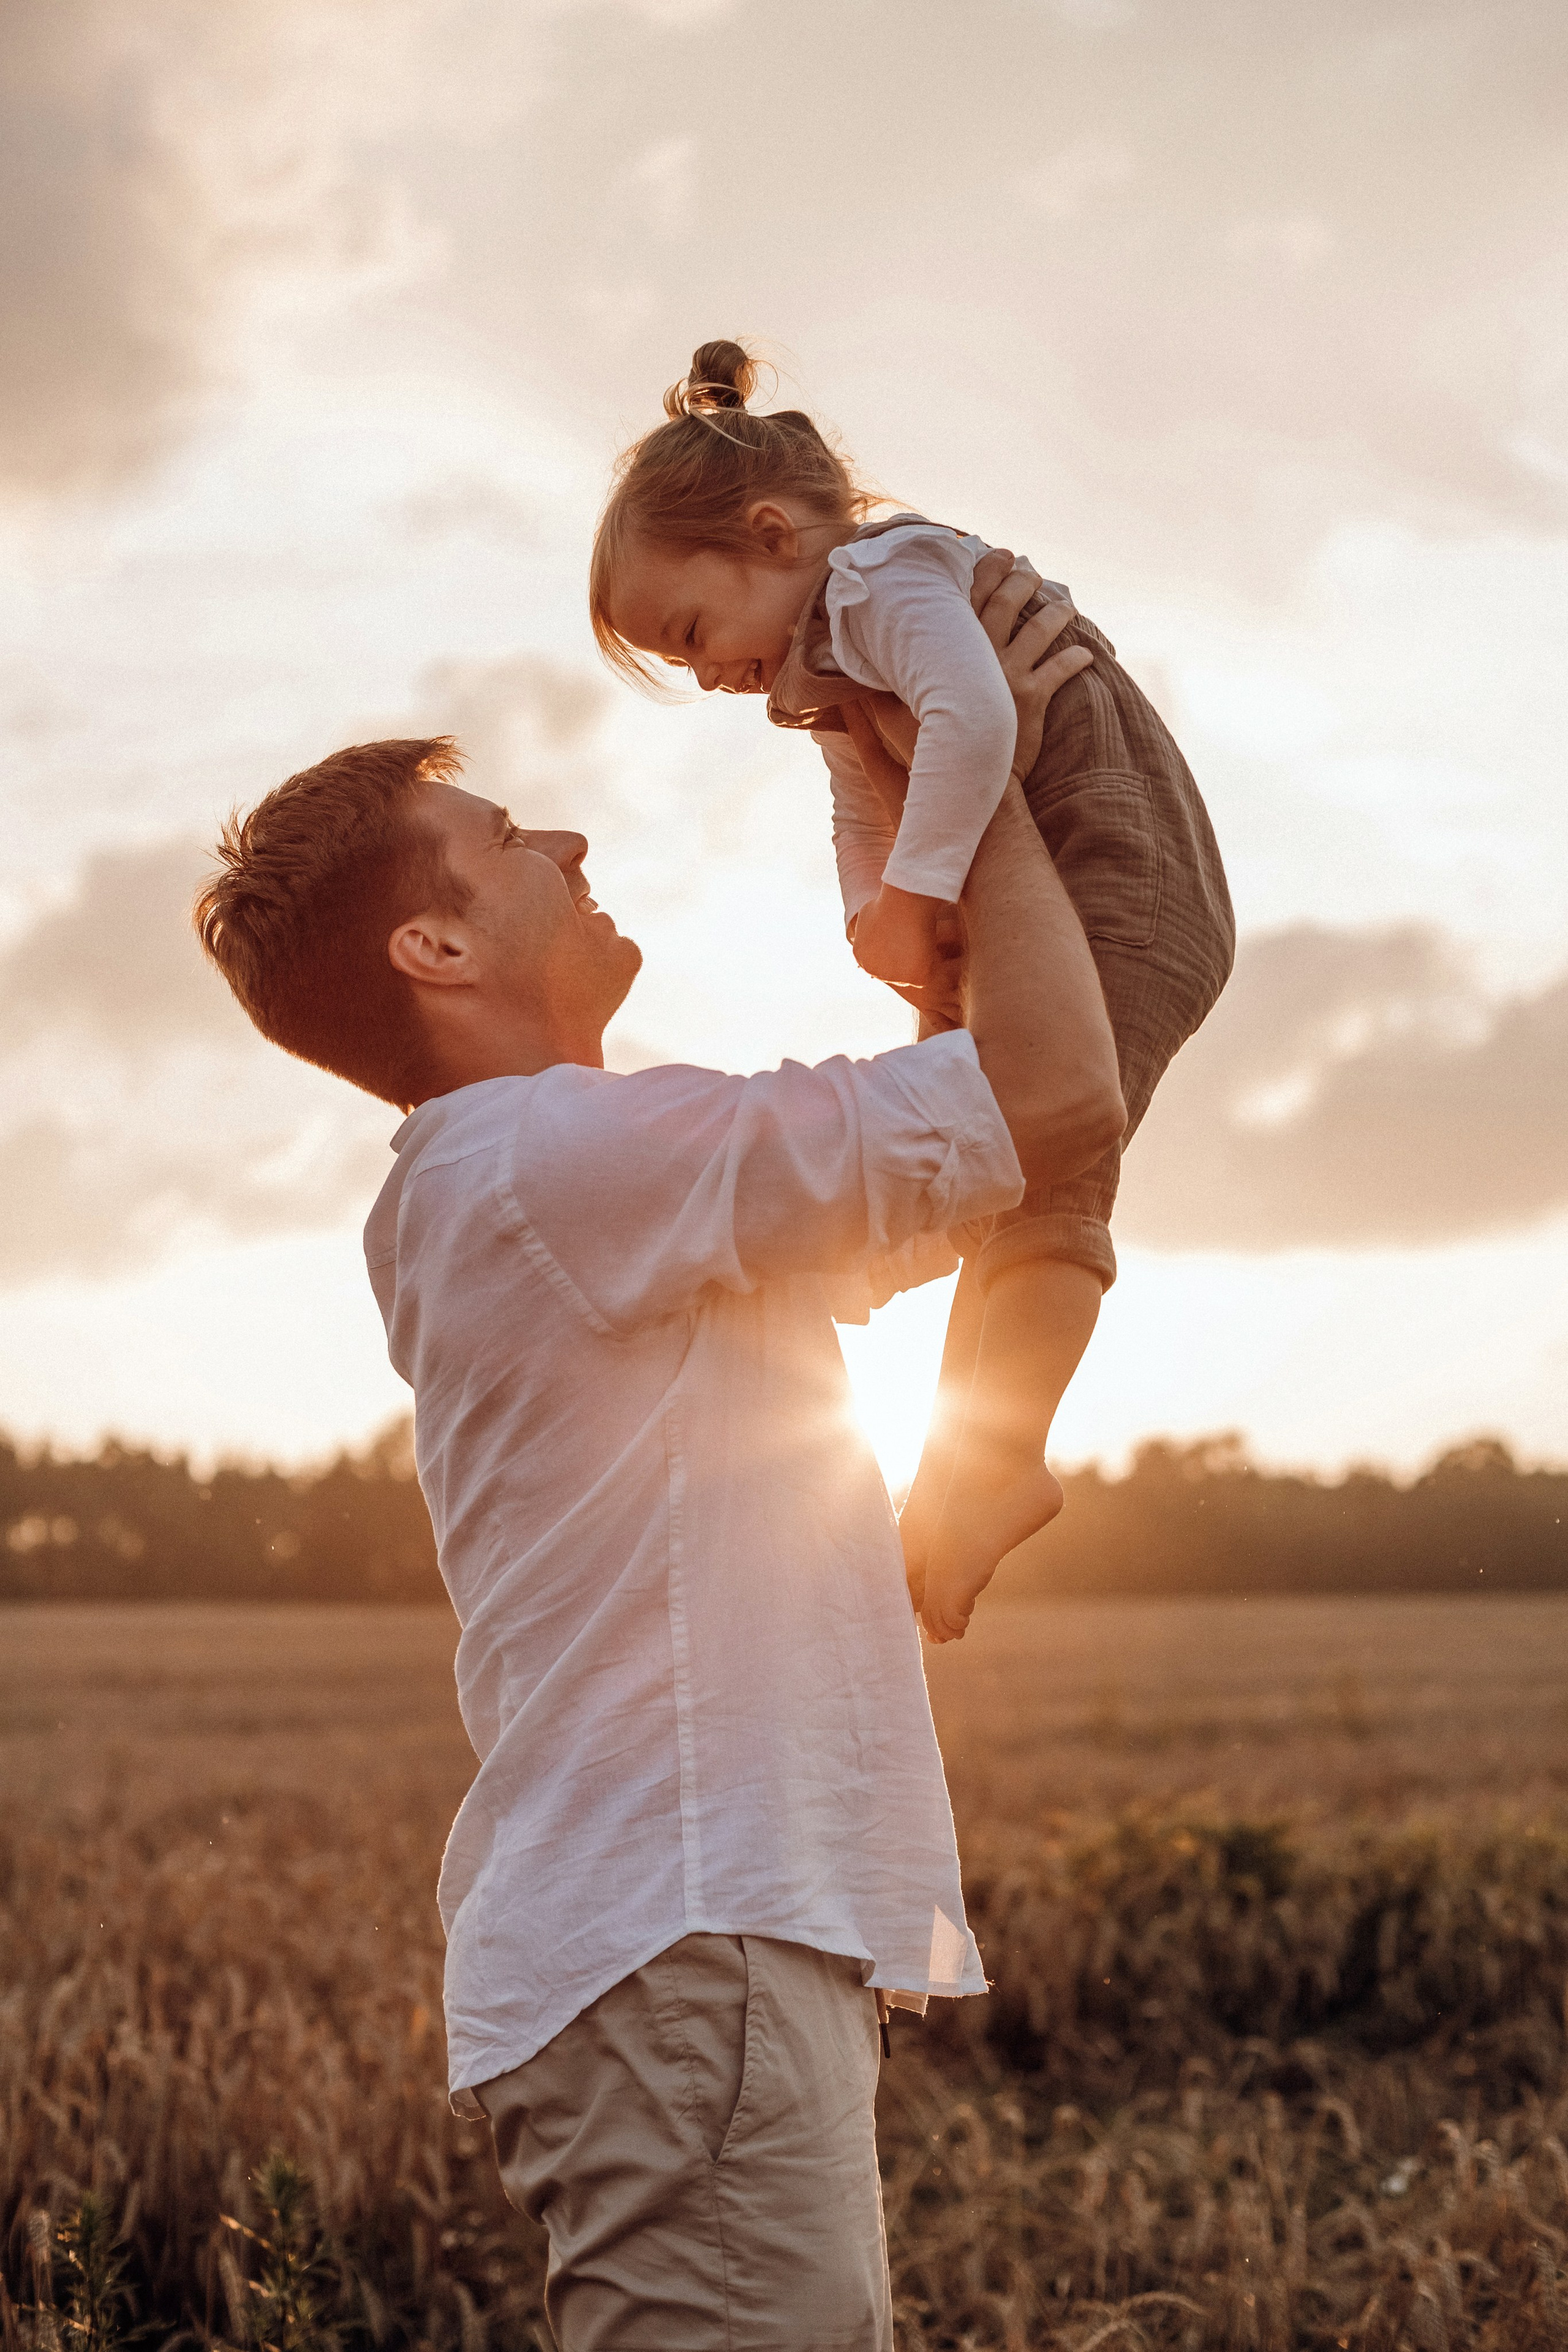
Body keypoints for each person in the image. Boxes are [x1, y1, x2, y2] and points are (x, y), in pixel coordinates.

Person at [193, 567, 1123, 2352]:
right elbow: (1053, 1101)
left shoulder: (554, 1186)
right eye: (502, 840)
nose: (565, 837)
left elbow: (980, 1145)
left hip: (690, 1947)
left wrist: (915, 791)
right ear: (435, 950)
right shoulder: (554, 1163)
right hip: (686, 1940)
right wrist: (977, 762)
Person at [589, 337, 1236, 1645]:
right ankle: (958, 1459)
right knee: (993, 1156)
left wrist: (919, 886)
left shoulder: (884, 580)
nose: (705, 675)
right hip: (1042, 871)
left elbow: (976, 722)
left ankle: (1000, 1453)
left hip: (1120, 858)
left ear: (771, 536)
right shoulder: (817, 659)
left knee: (1050, 1156)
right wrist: (873, 916)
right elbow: (858, 804)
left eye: (693, 633)